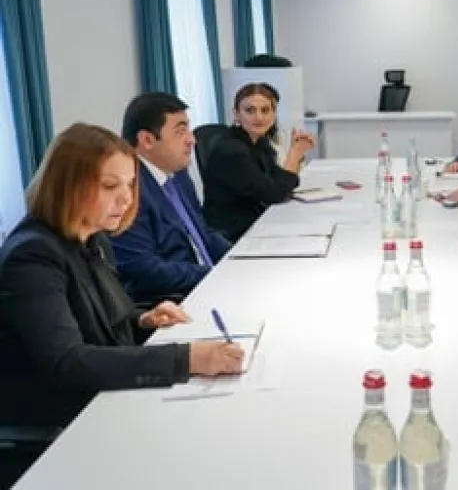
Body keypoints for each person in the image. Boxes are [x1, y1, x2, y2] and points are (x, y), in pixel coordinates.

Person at [0, 123, 244, 433]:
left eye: (129, 185)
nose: (126, 198)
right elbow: (68, 362)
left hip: (105, 396)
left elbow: (99, 321)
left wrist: (142, 319)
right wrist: (186, 360)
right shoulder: (32, 256)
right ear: (67, 185)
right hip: (63, 422)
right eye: (109, 186)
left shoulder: (94, 238)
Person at [111, 93, 231, 306]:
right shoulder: (128, 189)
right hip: (172, 302)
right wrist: (212, 273)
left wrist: (236, 257)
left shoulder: (178, 174)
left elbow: (202, 232)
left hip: (207, 285)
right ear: (147, 140)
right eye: (180, 131)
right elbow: (141, 269)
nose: (192, 139)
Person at [203, 83, 315, 242]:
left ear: (274, 114)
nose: (259, 117)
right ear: (236, 114)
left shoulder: (258, 143)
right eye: (250, 110)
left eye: (265, 110)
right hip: (234, 235)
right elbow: (274, 194)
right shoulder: (232, 151)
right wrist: (295, 153)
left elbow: (278, 180)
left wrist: (297, 152)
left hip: (256, 222)